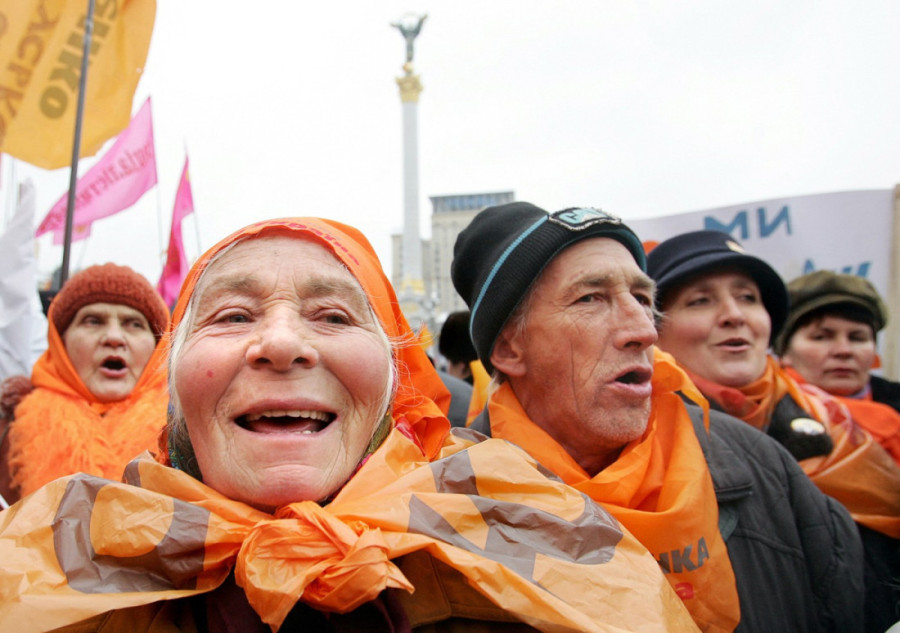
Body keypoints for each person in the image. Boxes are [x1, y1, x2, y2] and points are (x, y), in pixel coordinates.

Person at [0, 217, 699, 633]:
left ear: (396, 386)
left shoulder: (533, 531)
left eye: (333, 316)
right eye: (233, 315)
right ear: (173, 388)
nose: (280, 344)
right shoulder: (51, 564)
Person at [451, 202, 865, 633]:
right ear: (508, 350)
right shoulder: (446, 513)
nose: (644, 330)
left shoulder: (764, 467)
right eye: (590, 298)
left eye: (642, 298)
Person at [646, 230, 900, 632]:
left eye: (748, 297)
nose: (735, 315)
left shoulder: (860, 427)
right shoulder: (630, 454)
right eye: (700, 300)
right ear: (651, 329)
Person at [0, 263, 170, 507]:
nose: (114, 337)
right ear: (61, 340)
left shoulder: (189, 436)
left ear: (158, 346)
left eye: (133, 324)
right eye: (93, 321)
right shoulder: (10, 429)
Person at [774, 270, 900, 464]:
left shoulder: (894, 408)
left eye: (857, 338)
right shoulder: (760, 416)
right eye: (821, 337)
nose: (844, 350)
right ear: (784, 353)